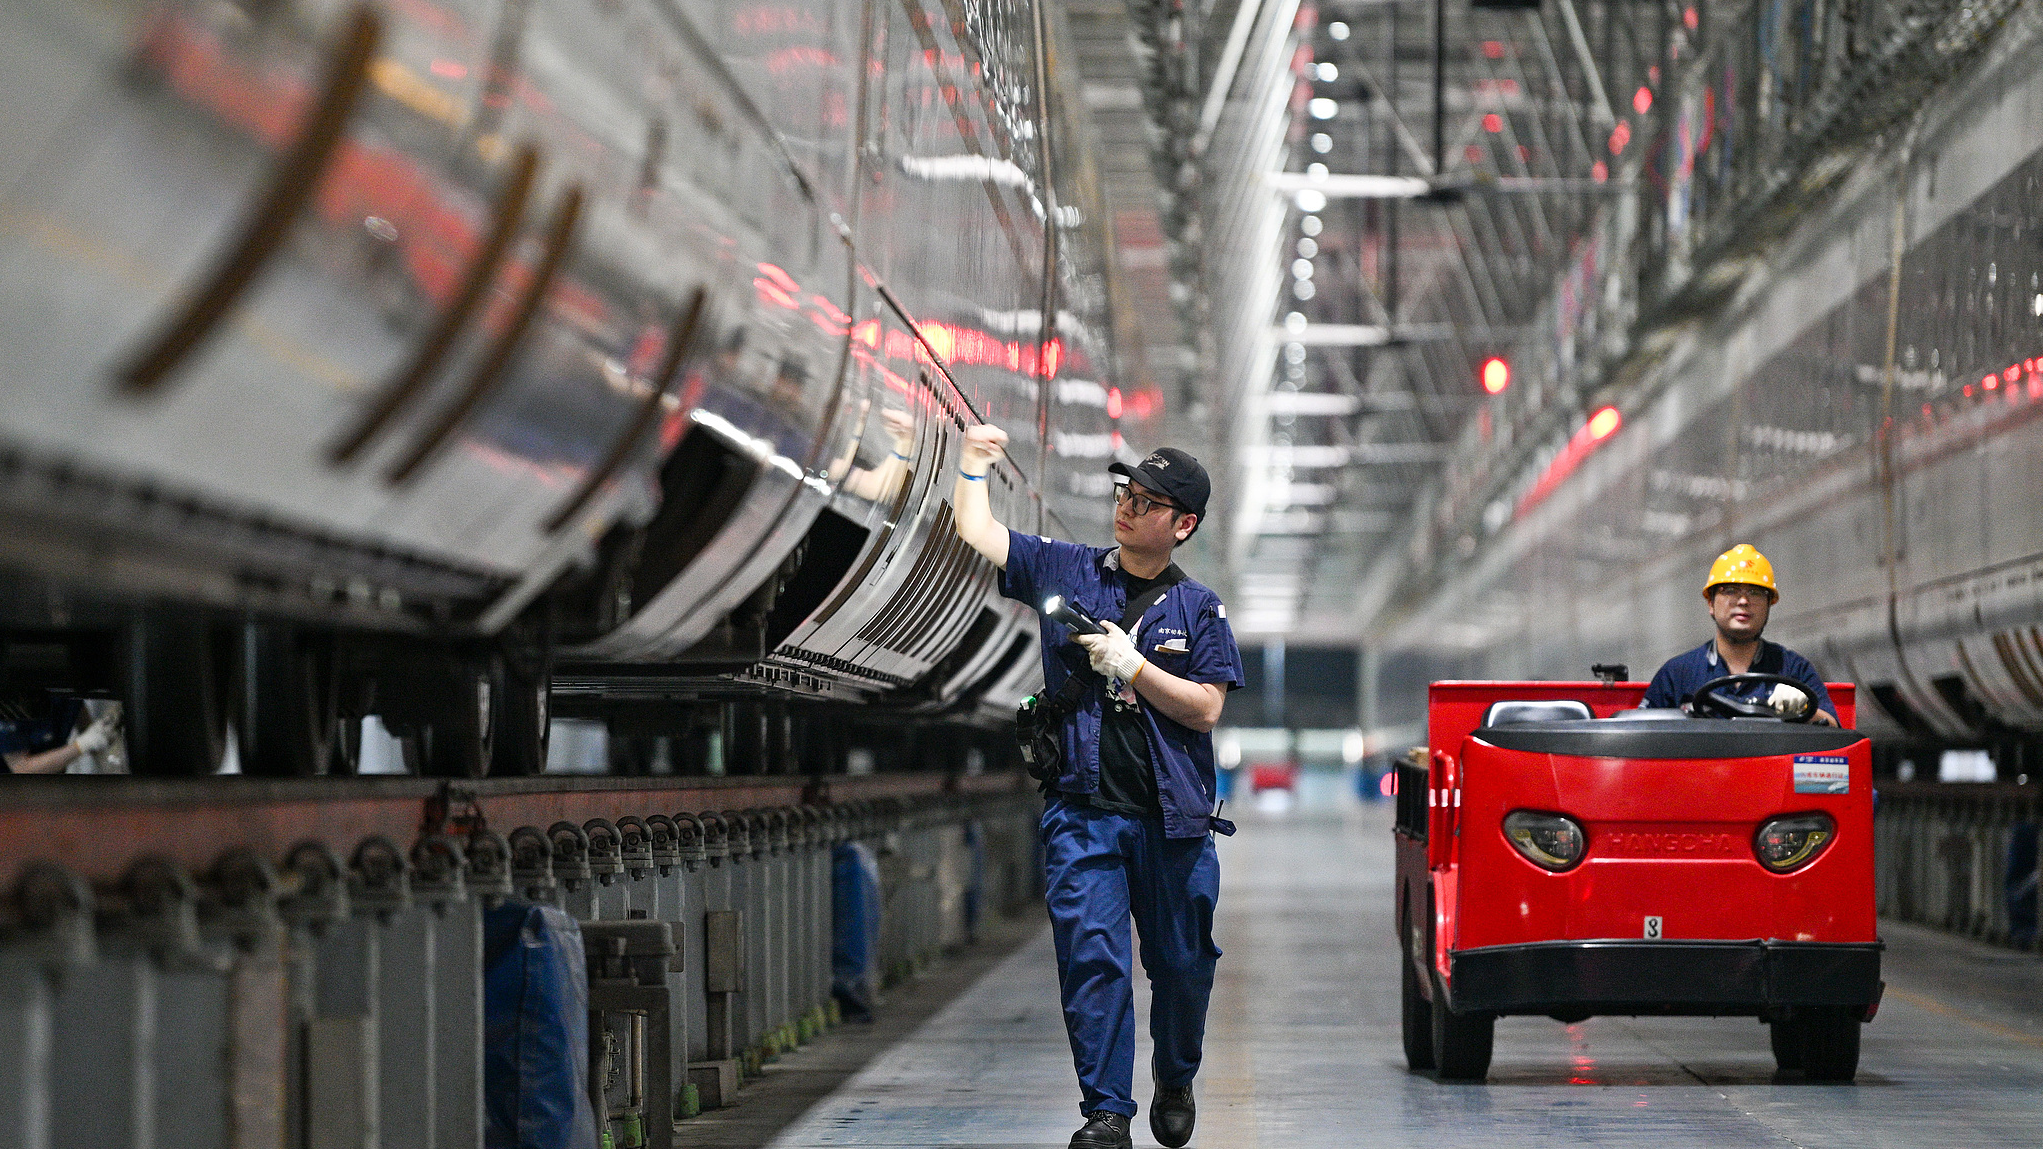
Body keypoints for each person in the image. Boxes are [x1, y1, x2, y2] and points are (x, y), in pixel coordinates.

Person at [951, 424, 1243, 1149]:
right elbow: (978, 531)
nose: (1126, 507)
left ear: (1182, 524)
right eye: (1125, 493)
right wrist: (969, 467)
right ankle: (1106, 1113)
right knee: (1093, 959)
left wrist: (1132, 667)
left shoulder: (1199, 609)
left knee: (1181, 966)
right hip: (1082, 814)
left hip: (1172, 825)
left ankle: (1174, 1075)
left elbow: (1205, 707)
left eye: (1146, 502)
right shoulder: (1067, 569)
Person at [1642, 544, 1839, 725]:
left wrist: (1804, 710)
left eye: (1755, 592)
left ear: (1770, 604)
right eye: (1730, 590)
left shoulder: (1793, 669)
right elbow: (1642, 733)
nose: (1743, 601)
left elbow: (1833, 732)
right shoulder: (1678, 674)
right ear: (1710, 603)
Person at [1, 695, 119, 774]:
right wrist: (83, 745)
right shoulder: (8, 701)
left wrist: (101, 731)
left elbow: (82, 718)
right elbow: (21, 767)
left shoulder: (65, 684)